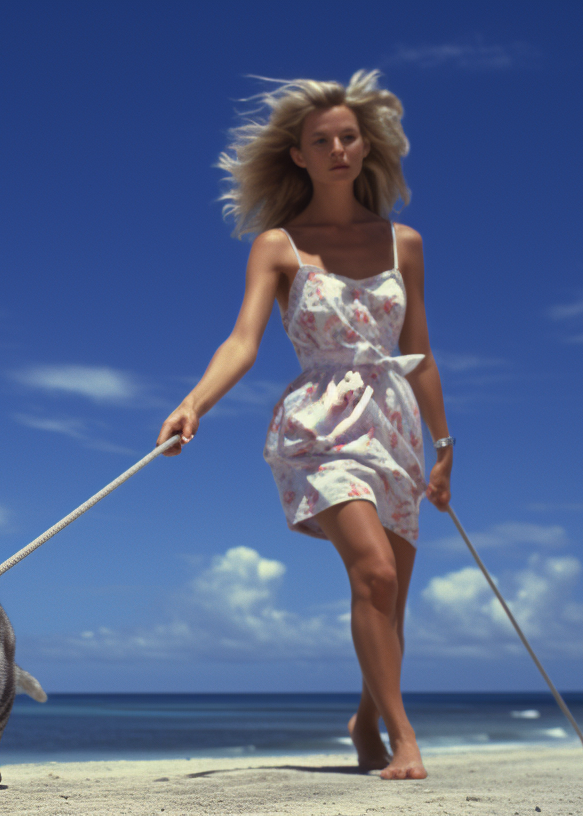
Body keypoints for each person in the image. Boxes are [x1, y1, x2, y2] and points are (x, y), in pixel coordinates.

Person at [157, 70, 452, 781]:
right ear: (299, 155)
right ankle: (405, 737)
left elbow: (420, 352)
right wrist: (195, 402)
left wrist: (442, 447)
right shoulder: (277, 246)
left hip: (396, 427)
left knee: (392, 600)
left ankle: (364, 719)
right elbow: (242, 343)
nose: (339, 149)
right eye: (322, 141)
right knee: (373, 572)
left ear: (365, 145)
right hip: (320, 425)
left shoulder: (404, 243)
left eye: (349, 136)